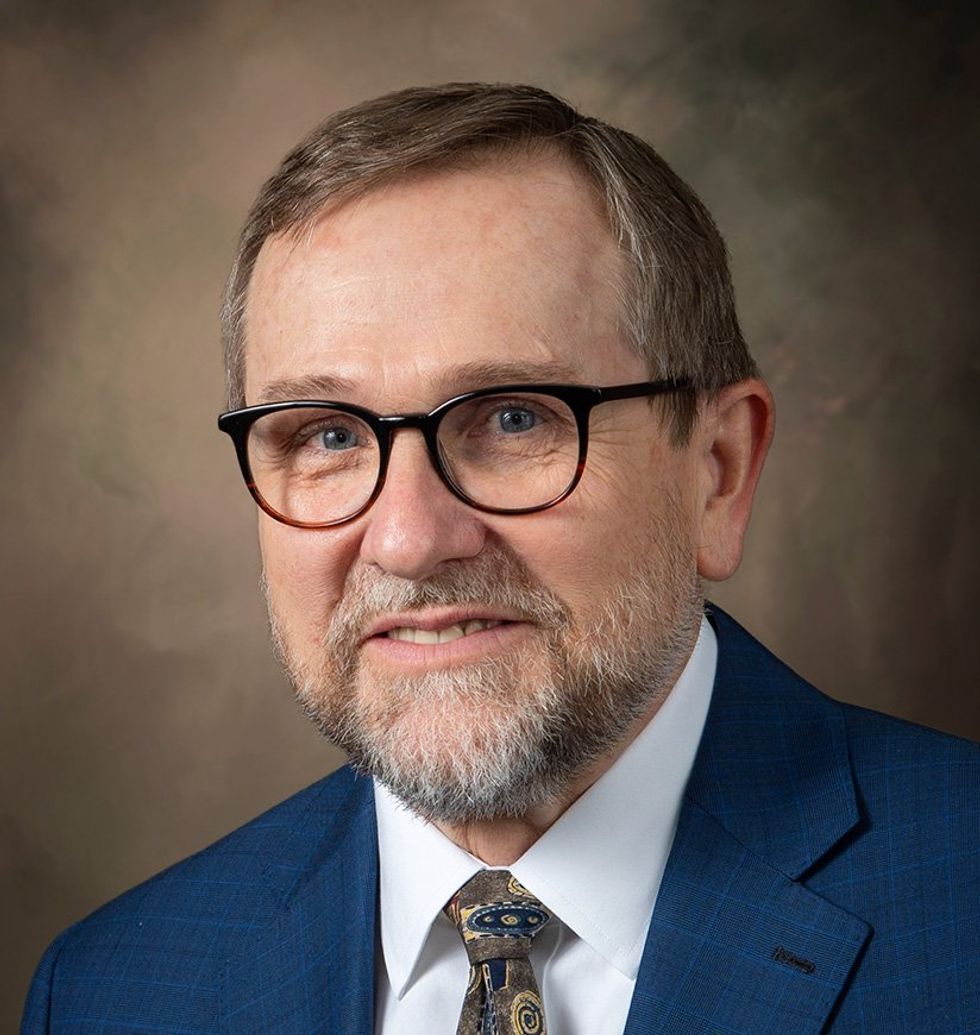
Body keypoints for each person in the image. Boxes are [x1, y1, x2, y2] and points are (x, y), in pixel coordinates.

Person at [22, 83, 979, 1035]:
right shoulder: (113, 989)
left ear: (718, 473)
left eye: (512, 418)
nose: (407, 537)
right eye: (325, 436)